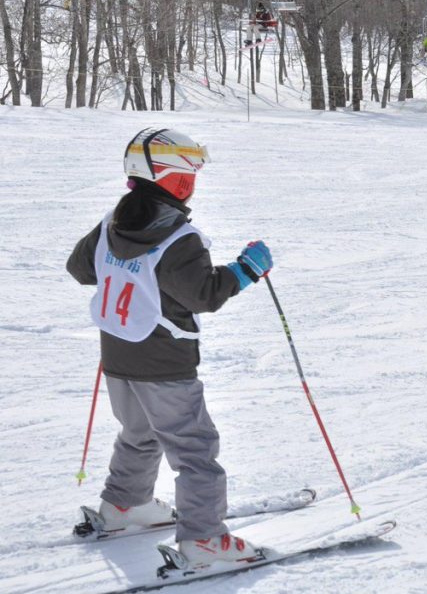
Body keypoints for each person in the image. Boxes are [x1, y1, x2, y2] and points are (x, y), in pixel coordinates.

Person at [66, 128, 275, 566]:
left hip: (120, 356)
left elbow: (81, 267)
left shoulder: (113, 221)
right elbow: (205, 294)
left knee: (140, 433)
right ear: (171, 177)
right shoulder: (180, 238)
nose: (194, 178)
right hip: (164, 361)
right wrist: (245, 270)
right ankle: (205, 541)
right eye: (189, 169)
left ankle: (125, 504)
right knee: (195, 449)